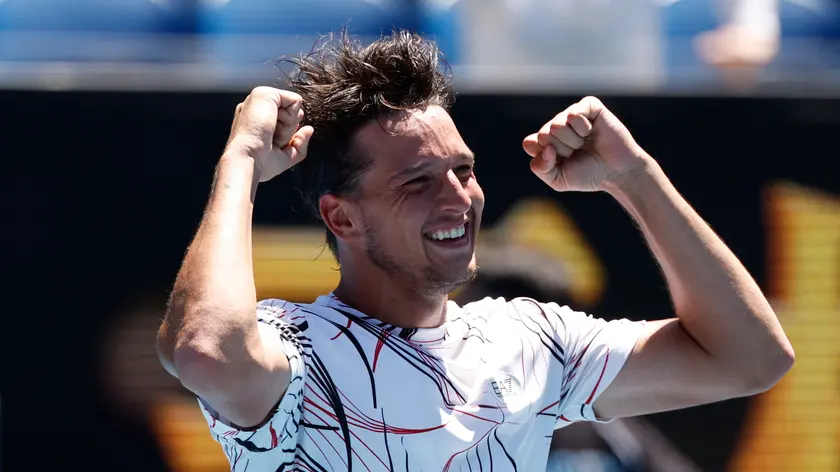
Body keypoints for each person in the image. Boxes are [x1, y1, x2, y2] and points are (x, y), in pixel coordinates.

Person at [156, 30, 794, 471]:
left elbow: (751, 359)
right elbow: (204, 349)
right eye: (418, 182)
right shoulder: (292, 346)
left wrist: (635, 177)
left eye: (463, 170)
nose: (458, 198)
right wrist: (241, 162)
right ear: (340, 217)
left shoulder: (531, 339)